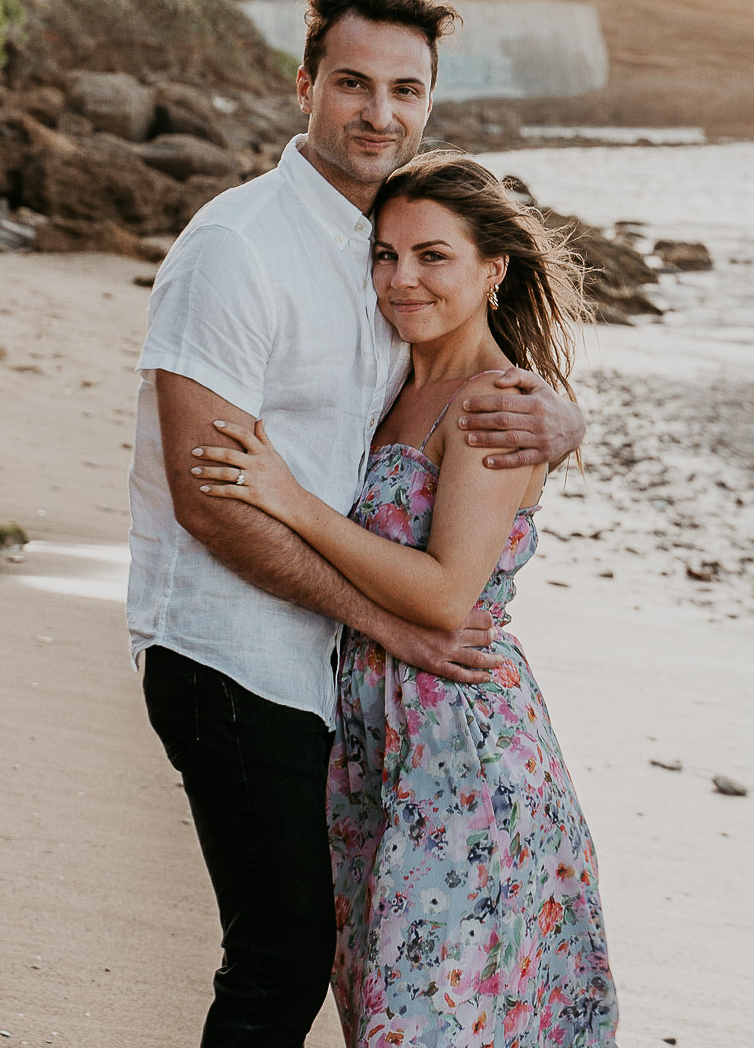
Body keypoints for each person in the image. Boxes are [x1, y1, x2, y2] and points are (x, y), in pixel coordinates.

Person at [128, 0, 585, 1047]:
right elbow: (209, 501)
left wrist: (563, 423)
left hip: (353, 689)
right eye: (352, 83)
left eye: (405, 90)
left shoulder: (380, 253)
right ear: (305, 87)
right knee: (282, 962)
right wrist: (384, 620)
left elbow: (469, 381)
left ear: (428, 100)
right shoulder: (239, 249)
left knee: (368, 980)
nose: (379, 113)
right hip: (230, 653)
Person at [191, 152, 618, 1046]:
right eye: (385, 255)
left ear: (492, 270)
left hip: (460, 745)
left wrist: (288, 499)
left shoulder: (497, 406)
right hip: (375, 739)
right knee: (381, 1004)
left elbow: (443, 592)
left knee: (424, 1021)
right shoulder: (395, 381)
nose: (401, 279)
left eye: (433, 257)